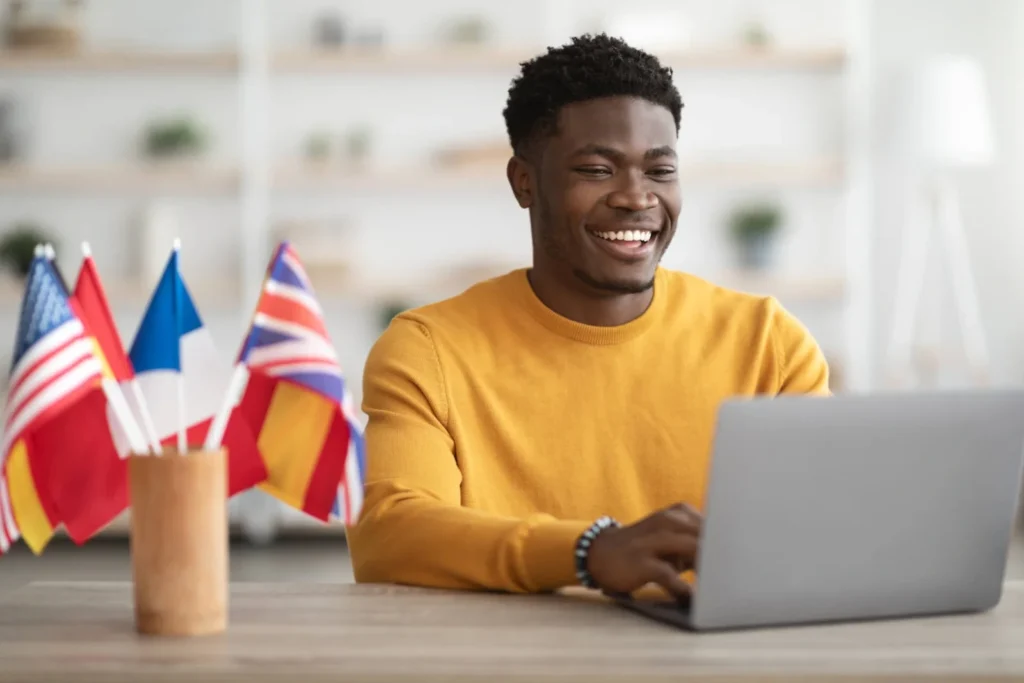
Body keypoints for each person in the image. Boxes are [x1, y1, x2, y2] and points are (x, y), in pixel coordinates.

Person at [346, 34, 830, 599]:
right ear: (524, 182)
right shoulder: (428, 350)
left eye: (660, 171)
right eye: (598, 170)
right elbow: (391, 534)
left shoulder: (768, 344)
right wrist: (589, 552)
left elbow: (822, 536)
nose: (636, 197)